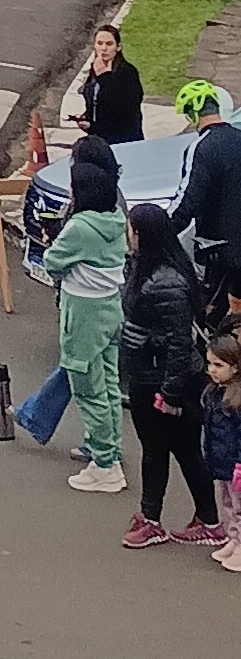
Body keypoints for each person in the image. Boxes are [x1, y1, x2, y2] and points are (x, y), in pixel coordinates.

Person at [118, 201, 219, 547]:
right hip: (151, 375)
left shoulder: (165, 282)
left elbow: (179, 342)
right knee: (170, 449)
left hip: (159, 380)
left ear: (141, 234)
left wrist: (170, 395)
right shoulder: (149, 268)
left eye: (130, 228)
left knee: (172, 449)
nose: (126, 234)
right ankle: (201, 518)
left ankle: (158, 519)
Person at [47, 155, 129, 493]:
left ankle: (105, 465)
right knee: (108, 384)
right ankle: (109, 450)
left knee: (87, 387)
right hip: (110, 307)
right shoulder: (116, 219)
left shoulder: (80, 227)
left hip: (83, 311)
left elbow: (53, 260)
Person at [170, 79, 241, 324]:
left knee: (211, 319)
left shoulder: (201, 147)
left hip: (217, 249)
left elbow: (187, 202)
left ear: (193, 114)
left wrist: (161, 231)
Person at [74, 24, 145, 145]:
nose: (104, 48)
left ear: (118, 47)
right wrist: (87, 120)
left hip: (124, 141)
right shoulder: (95, 69)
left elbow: (125, 108)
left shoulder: (127, 72)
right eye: (99, 43)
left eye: (109, 44)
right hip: (99, 140)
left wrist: (104, 77)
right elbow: (95, 102)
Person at [207, 334, 241, 569]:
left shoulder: (237, 400)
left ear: (236, 366)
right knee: (228, 504)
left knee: (240, 507)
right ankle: (234, 539)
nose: (212, 370)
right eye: (209, 364)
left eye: (219, 365)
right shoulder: (214, 392)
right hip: (222, 462)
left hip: (236, 464)